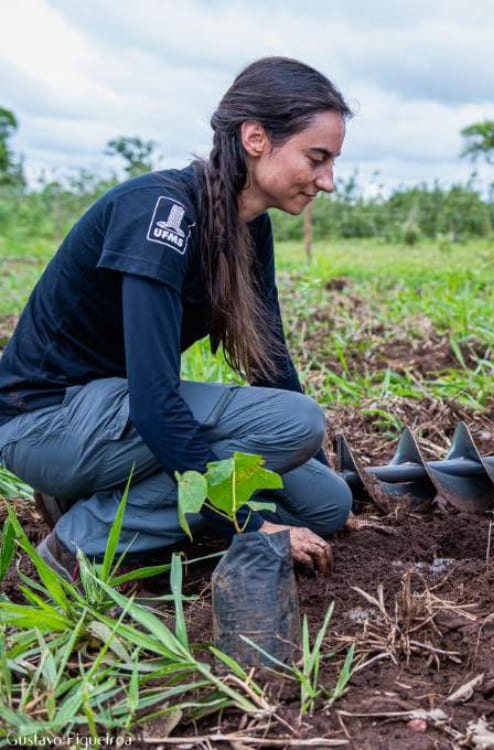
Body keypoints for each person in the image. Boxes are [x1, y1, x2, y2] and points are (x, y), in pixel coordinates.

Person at [0, 57, 357, 579]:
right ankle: (78, 542)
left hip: (113, 420)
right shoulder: (160, 214)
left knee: (327, 502)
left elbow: (271, 364)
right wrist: (249, 527)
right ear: (256, 138)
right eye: (317, 157)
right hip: (45, 422)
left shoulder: (247, 227)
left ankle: (111, 494)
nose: (326, 181)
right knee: (296, 420)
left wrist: (318, 470)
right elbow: (155, 400)